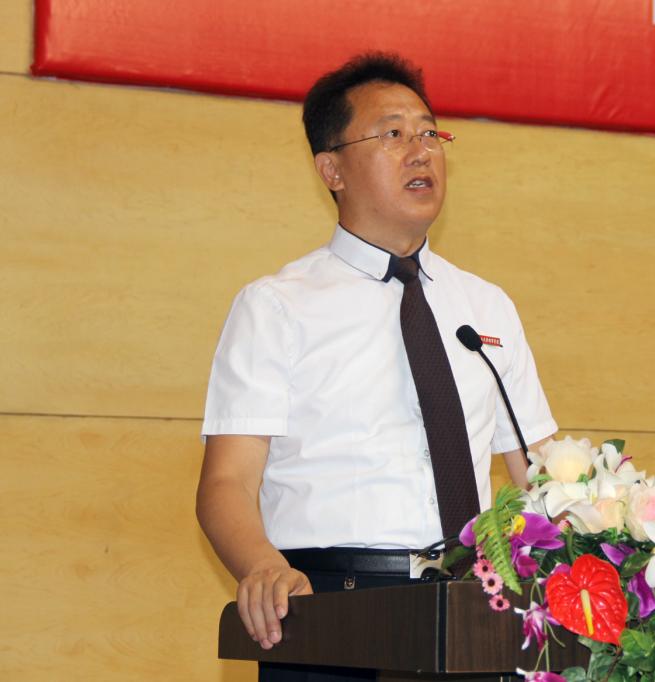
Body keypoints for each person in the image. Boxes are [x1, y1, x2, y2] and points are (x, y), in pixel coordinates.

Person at [195, 52, 557, 682]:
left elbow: (540, 472)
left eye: (429, 133)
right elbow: (226, 481)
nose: (421, 152)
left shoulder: (485, 305)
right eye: (392, 134)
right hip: (330, 609)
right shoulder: (278, 306)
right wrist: (262, 566)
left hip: (473, 609)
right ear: (331, 169)